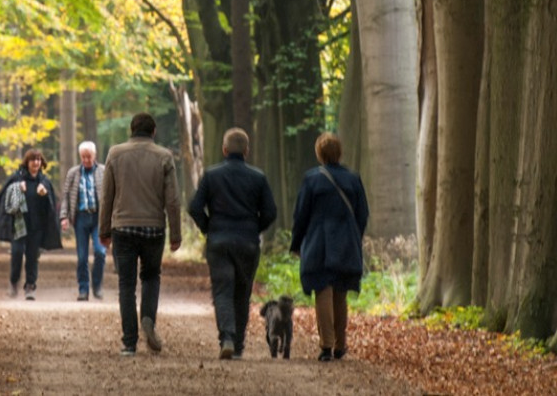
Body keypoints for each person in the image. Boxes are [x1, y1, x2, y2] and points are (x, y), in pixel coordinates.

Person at [188, 127, 277, 360]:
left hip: (219, 241)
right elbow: (270, 211)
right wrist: (255, 228)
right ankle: (238, 345)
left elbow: (194, 207)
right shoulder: (258, 177)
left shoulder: (212, 175)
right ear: (246, 151)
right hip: (247, 242)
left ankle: (226, 337)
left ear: (224, 149)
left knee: (223, 291)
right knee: (242, 292)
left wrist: (208, 227)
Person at [99, 113, 182, 356]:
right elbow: (173, 200)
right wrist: (176, 233)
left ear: (131, 130)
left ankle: (129, 342)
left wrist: (104, 230)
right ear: (153, 131)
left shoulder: (115, 154)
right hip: (154, 227)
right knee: (151, 276)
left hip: (123, 227)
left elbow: (107, 196)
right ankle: (148, 318)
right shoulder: (164, 156)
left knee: (126, 284)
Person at [289, 132, 369, 362]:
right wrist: (354, 236)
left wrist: (296, 244)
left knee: (322, 290)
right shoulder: (353, 179)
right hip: (345, 243)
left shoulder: (312, 179)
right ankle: (340, 344)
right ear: (339, 152)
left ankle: (325, 345)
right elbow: (362, 214)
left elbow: (301, 215)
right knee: (340, 292)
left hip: (319, 243)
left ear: (319, 153)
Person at [0, 149, 62, 299]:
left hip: (36, 227)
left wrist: (45, 195)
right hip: (19, 225)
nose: (36, 163)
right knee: (16, 253)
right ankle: (13, 281)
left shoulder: (44, 181)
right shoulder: (17, 178)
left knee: (32, 257)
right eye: (33, 160)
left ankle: (30, 286)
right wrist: (18, 189)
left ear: (41, 163)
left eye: (38, 160)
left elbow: (50, 207)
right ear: (27, 162)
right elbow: (5, 198)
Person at [60, 140, 107, 301]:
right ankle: (83, 289)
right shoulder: (73, 173)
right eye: (83, 157)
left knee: (100, 252)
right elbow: (66, 196)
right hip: (80, 218)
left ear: (95, 156)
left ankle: (97, 285)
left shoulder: (103, 171)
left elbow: (111, 195)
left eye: (89, 156)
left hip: (98, 218)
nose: (86, 160)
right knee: (82, 257)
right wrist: (64, 217)